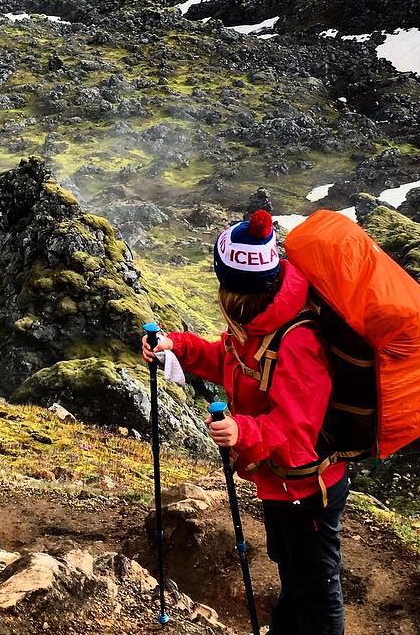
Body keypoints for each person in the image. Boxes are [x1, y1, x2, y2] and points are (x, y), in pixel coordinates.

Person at [141, 208, 348, 635]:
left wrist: (243, 431)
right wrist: (174, 346)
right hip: (280, 482)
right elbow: (227, 360)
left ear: (234, 287)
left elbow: (298, 430)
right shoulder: (256, 324)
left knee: (317, 585)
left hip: (310, 487)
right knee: (291, 570)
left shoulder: (296, 340)